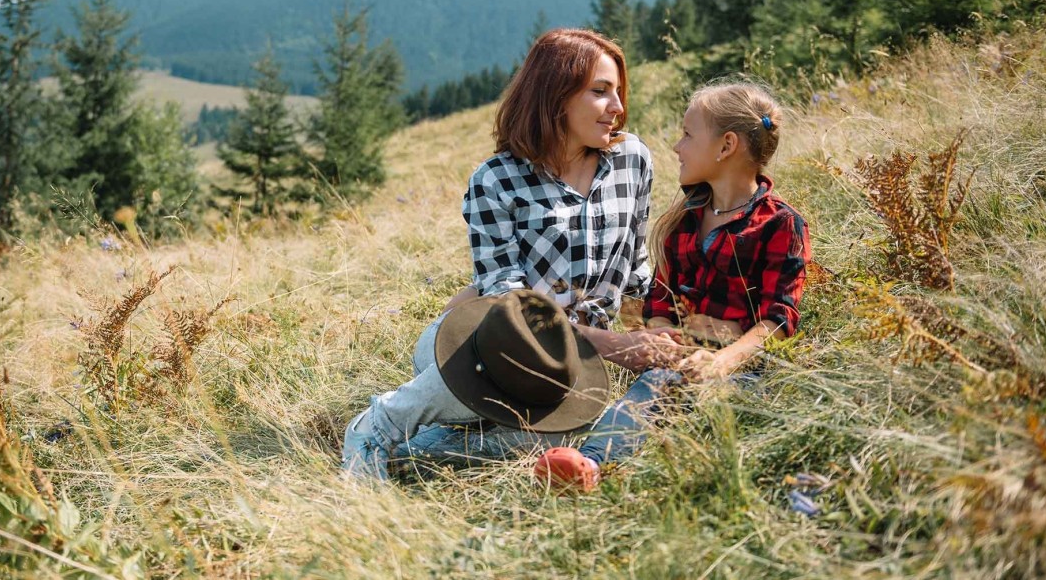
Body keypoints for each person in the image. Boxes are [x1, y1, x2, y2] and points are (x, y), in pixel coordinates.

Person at [341, 27, 686, 480]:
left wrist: (661, 332)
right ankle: (377, 426)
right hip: (489, 343)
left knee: (562, 436)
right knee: (501, 380)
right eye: (600, 91)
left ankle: (416, 455)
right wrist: (613, 346)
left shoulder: (632, 159)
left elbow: (634, 263)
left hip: (565, 363)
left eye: (618, 92)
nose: (618, 107)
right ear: (556, 96)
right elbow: (506, 298)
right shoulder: (497, 180)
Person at [535, 81, 812, 491]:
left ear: (726, 146)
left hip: (745, 370)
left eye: (687, 135)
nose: (677, 147)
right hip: (680, 363)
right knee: (654, 388)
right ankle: (590, 463)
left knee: (695, 407)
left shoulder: (781, 225)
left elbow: (779, 318)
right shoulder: (684, 220)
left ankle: (615, 466)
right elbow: (661, 298)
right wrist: (663, 336)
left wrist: (722, 361)